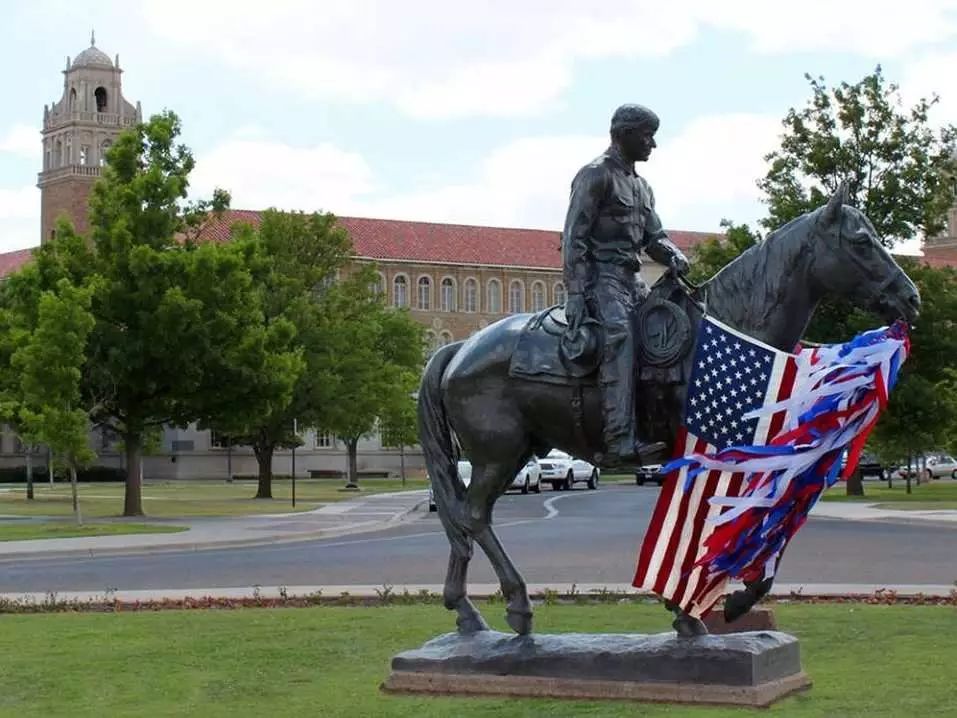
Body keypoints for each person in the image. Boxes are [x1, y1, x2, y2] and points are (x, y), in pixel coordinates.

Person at [561, 103, 689, 465]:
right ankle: (619, 438)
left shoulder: (642, 187)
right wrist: (575, 293)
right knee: (621, 338)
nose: (653, 144)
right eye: (647, 136)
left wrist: (675, 255)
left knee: (669, 333)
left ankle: (658, 423)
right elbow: (574, 238)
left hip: (633, 280)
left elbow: (655, 237)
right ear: (624, 134)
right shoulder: (595, 175)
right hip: (601, 279)